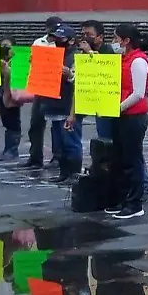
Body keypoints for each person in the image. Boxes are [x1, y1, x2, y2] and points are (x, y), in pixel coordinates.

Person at [103, 23, 148, 220]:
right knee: (121, 159)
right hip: (122, 115)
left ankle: (135, 202)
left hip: (134, 116)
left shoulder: (138, 61)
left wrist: (118, 108)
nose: (114, 43)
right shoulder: (124, 59)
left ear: (126, 41)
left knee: (133, 159)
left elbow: (138, 93)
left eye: (116, 39)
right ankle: (124, 199)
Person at [20, 16, 63, 169]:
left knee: (57, 124)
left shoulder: (62, 44)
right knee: (36, 124)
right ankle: (35, 157)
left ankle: (58, 156)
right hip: (40, 87)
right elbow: (31, 62)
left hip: (55, 87)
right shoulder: (39, 42)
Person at [45, 25, 83, 183]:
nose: (57, 41)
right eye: (55, 38)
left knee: (71, 142)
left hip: (69, 106)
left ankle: (74, 175)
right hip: (54, 103)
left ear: (71, 40)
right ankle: (63, 173)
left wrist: (69, 74)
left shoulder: (77, 56)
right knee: (58, 142)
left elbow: (81, 81)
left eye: (61, 39)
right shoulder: (53, 54)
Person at [0, 38, 23, 161]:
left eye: (8, 46)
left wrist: (8, 71)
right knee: (6, 121)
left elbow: (20, 75)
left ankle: (12, 149)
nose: (5, 48)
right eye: (2, 46)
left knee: (13, 122)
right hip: (0, 92)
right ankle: (8, 148)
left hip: (13, 93)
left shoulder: (17, 60)